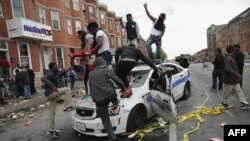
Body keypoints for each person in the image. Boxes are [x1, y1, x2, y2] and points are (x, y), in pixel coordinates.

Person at [89, 57, 128, 141]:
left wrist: (95, 99)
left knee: (105, 120)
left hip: (98, 101)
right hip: (108, 96)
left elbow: (91, 87)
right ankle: (115, 101)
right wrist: (124, 88)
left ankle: (112, 138)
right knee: (110, 82)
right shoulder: (106, 70)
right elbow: (118, 80)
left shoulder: (90, 73)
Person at [41, 62, 74, 138]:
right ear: (52, 68)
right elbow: (43, 78)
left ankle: (51, 129)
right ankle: (66, 106)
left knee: (52, 113)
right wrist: (53, 86)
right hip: (51, 93)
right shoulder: (50, 73)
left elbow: (60, 75)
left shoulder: (55, 73)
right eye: (56, 66)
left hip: (51, 94)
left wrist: (67, 70)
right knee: (68, 89)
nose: (57, 67)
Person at [221, 45, 249, 110]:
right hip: (229, 79)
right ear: (231, 50)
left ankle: (244, 103)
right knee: (227, 92)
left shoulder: (231, 57)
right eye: (234, 50)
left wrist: (237, 75)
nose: (235, 51)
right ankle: (224, 102)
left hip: (234, 79)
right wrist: (237, 75)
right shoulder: (228, 58)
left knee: (238, 91)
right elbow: (228, 68)